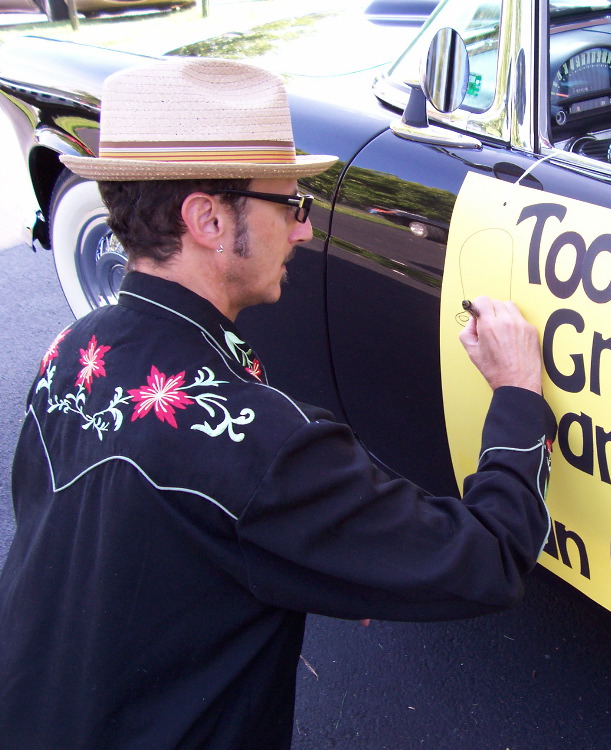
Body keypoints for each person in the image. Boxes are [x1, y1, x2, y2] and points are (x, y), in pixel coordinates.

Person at [0, 58, 554, 749]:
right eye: (291, 205)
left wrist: (302, 555)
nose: (302, 230)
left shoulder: (70, 351)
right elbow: (490, 559)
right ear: (205, 217)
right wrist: (516, 394)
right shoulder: (265, 446)